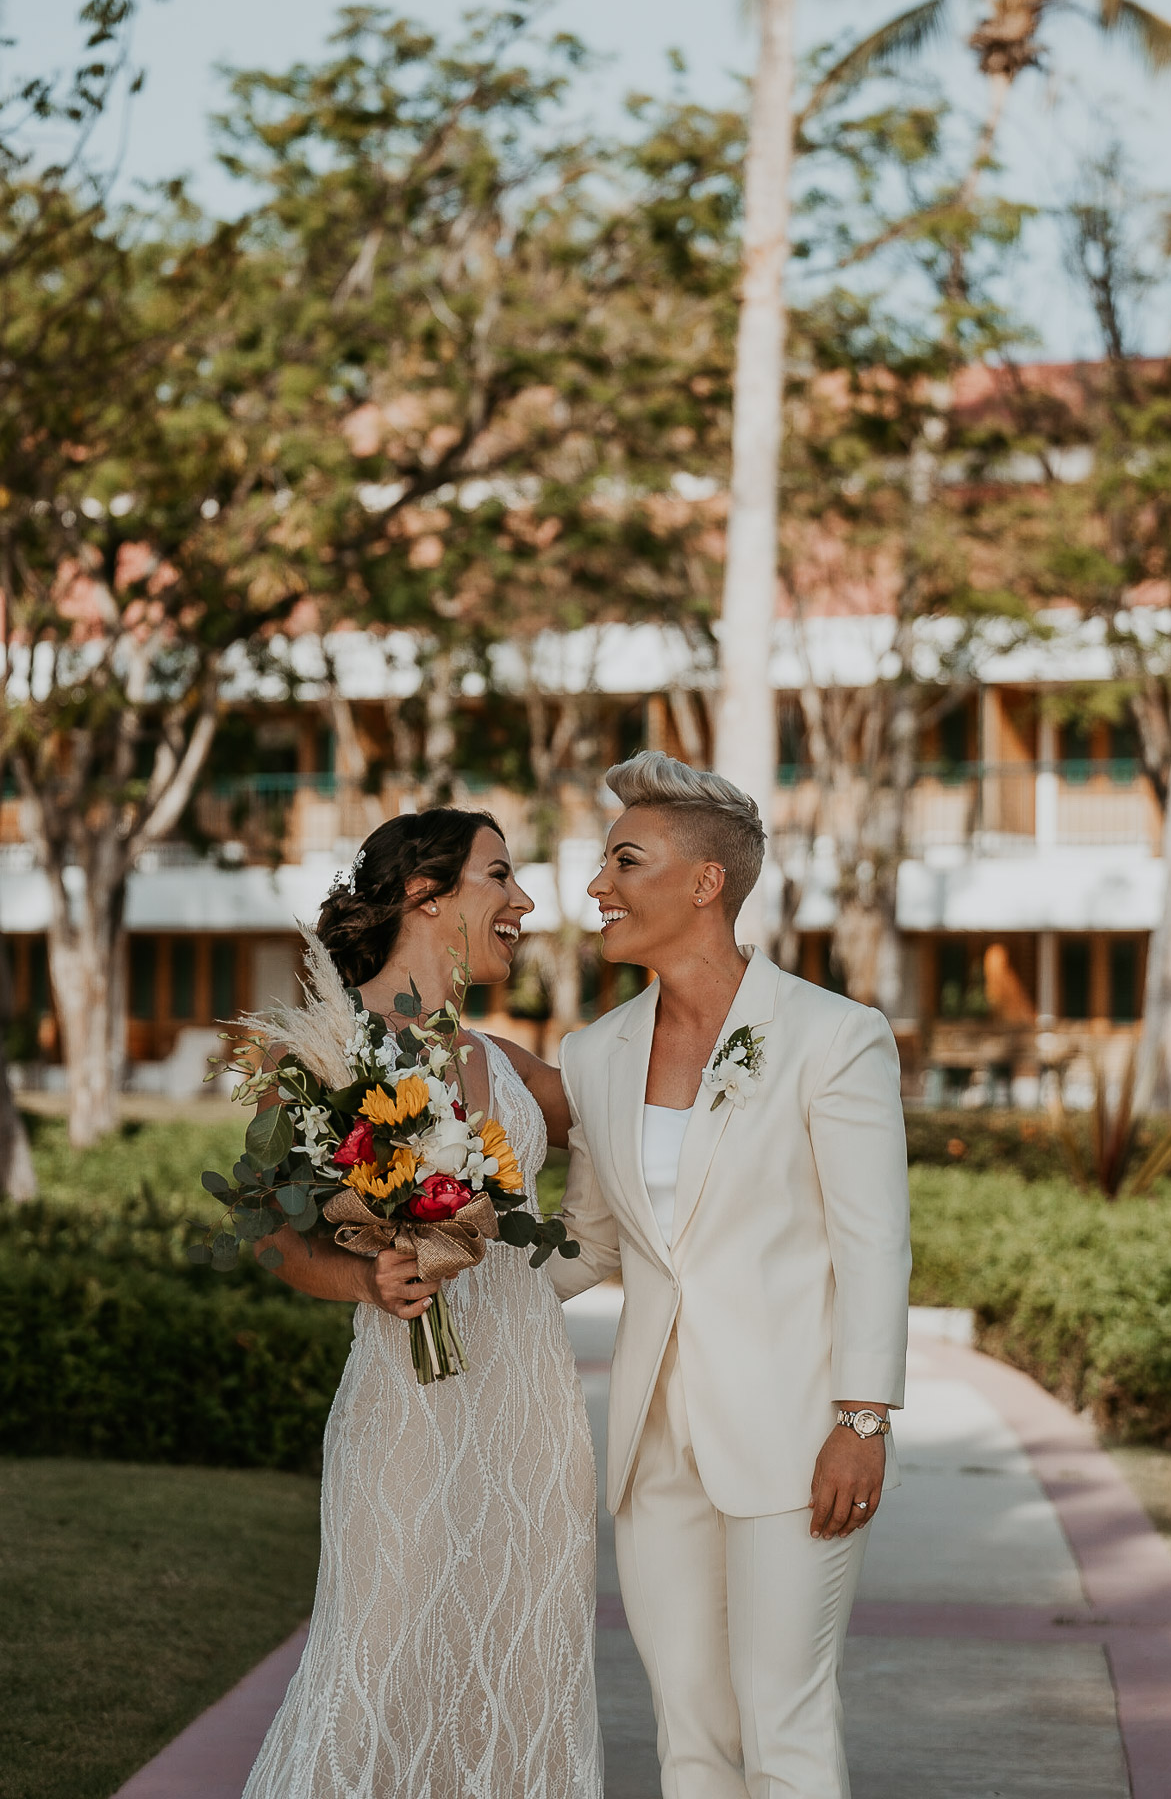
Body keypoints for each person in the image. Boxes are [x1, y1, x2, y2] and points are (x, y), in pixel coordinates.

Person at [550, 751, 911, 1799]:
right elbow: (596, 1242)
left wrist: (865, 1418)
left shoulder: (833, 1038)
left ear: (707, 883)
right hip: (653, 1446)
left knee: (784, 1727)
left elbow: (873, 1240)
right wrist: (445, 1268)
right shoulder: (596, 1052)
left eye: (626, 861)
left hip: (797, 1435)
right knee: (689, 1732)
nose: (597, 887)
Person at [241, 809, 602, 1799]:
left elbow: (650, 1133)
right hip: (406, 1406)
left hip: (531, 1411)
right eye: (503, 875)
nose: (524, 900)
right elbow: (271, 1230)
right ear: (426, 898)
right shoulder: (318, 1051)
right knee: (379, 1656)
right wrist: (365, 1277)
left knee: (523, 1670)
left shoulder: (510, 1060)